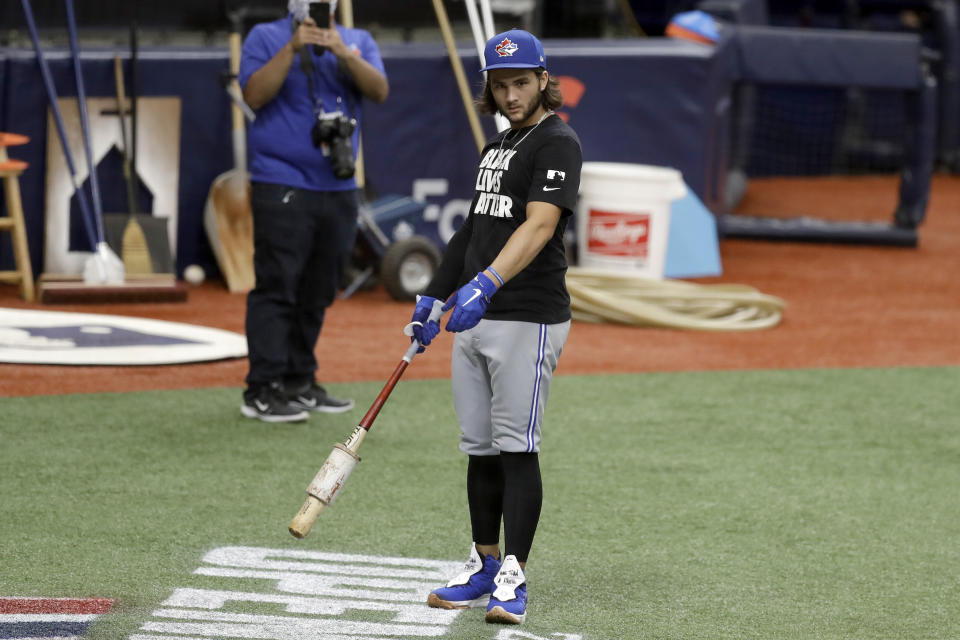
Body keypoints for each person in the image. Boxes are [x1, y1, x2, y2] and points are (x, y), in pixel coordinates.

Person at [409, 29, 582, 625]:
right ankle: (483, 563)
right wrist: (434, 297)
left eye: (521, 82)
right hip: (476, 321)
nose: (510, 94)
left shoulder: (557, 143)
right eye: (500, 84)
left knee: (516, 447)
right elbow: (471, 233)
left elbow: (537, 228)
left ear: (542, 80)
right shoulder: (497, 147)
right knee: (479, 449)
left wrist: (485, 285)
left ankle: (514, 574)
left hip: (527, 316)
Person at [238, 0, 388, 422]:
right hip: (281, 179)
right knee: (277, 284)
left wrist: (342, 51)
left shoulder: (358, 41)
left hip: (338, 183)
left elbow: (379, 90)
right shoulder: (265, 37)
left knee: (320, 287)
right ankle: (262, 388)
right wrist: (292, 47)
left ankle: (298, 380)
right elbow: (253, 95)